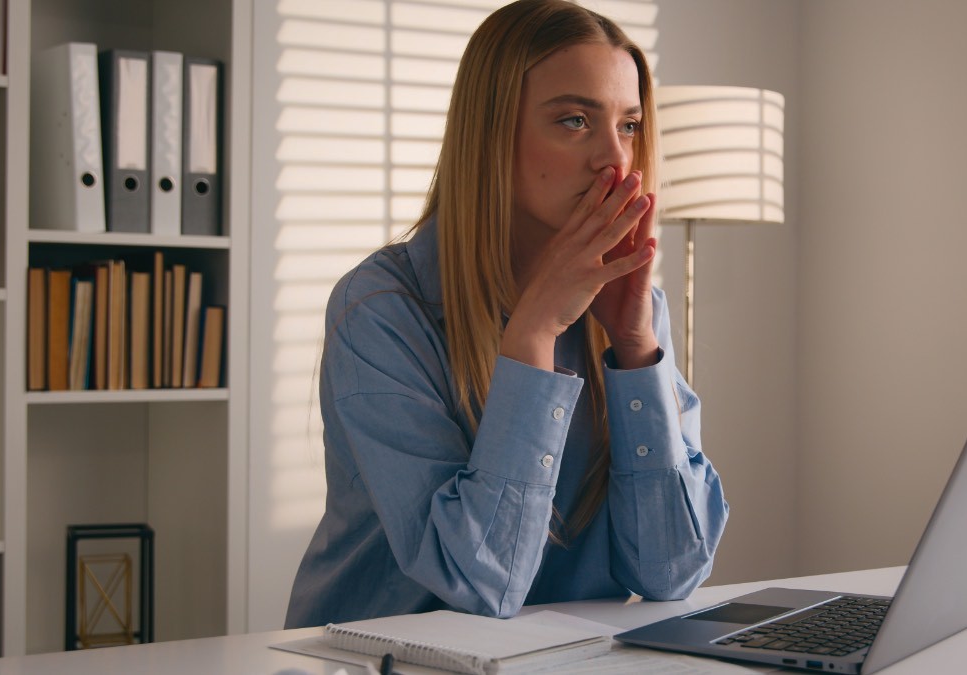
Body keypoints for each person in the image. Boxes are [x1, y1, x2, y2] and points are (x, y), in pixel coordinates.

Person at [285, 0, 728, 627]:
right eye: (575, 120)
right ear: (492, 134)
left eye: (629, 125)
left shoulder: (632, 306)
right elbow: (479, 582)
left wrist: (634, 348)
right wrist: (534, 334)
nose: (615, 160)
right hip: (378, 659)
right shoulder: (380, 310)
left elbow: (672, 570)